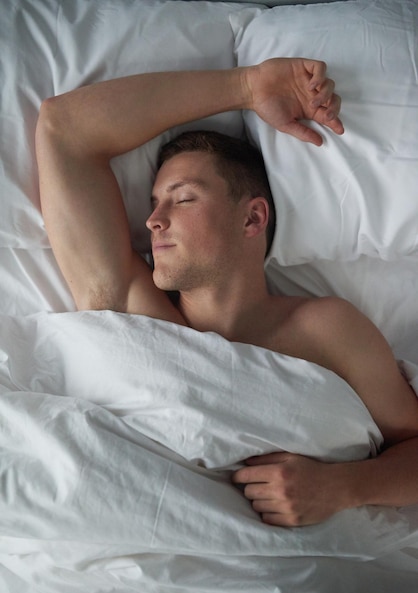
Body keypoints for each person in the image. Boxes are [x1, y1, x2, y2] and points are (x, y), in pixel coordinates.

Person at [35, 58, 418, 527]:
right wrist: (246, 86)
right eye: (155, 202)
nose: (153, 220)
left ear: (252, 219)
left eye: (183, 197)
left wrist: (343, 487)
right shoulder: (126, 308)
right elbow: (63, 128)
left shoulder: (329, 329)